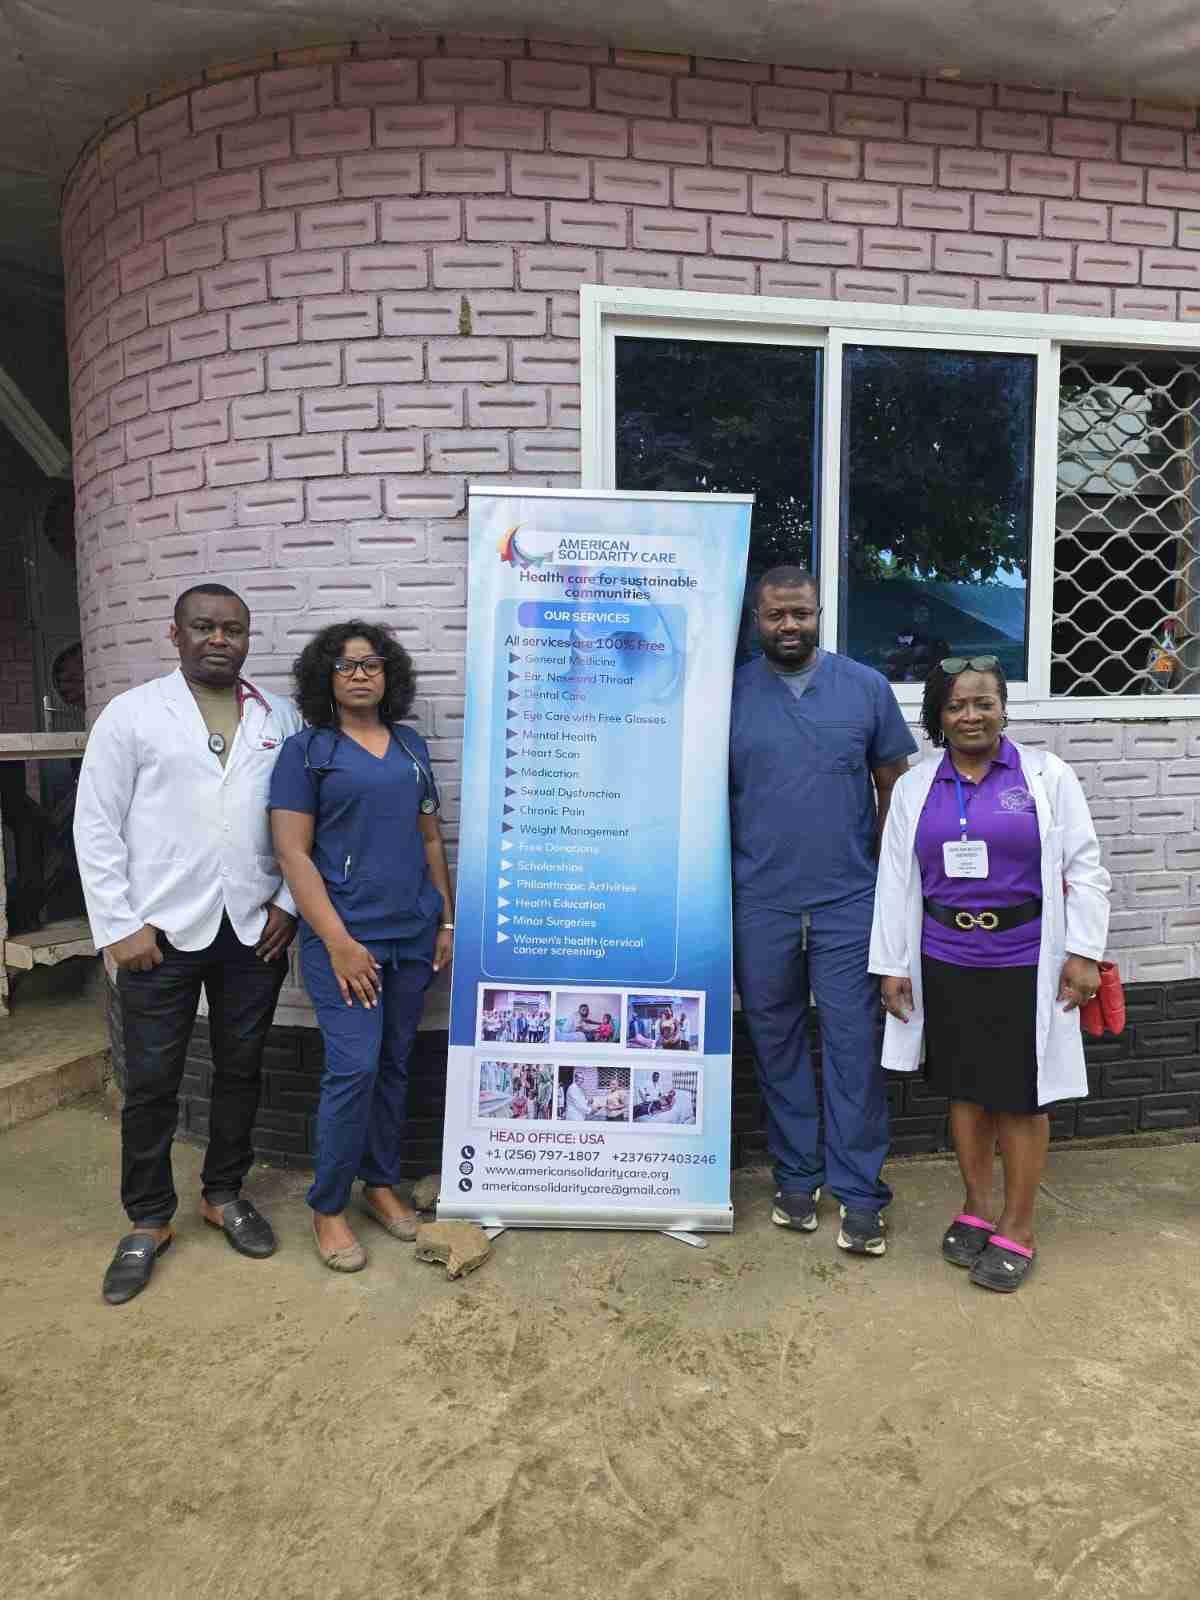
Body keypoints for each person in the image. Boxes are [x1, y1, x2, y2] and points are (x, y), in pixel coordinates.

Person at [75, 583, 302, 1306]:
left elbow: (306, 816)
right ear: (175, 634)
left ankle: (224, 1192)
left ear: (247, 637)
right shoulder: (133, 714)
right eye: (203, 627)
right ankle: (148, 1218)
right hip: (159, 932)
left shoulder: (280, 717)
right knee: (151, 1080)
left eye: (232, 629)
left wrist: (289, 903)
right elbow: (95, 823)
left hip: (253, 928)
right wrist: (119, 925)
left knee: (241, 1069)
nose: (219, 639)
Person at [872, 656, 1110, 1291]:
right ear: (938, 716)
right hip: (944, 961)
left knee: (1020, 1096)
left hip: (1024, 962)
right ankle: (977, 1205)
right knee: (965, 1091)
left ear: (1004, 708)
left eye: (984, 703)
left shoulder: (1046, 776)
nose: (970, 715)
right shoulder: (916, 787)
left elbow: (1085, 868)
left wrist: (1084, 952)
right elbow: (895, 880)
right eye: (956, 705)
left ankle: (1019, 1226)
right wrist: (892, 965)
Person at [730, 565, 917, 1256]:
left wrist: (879, 872)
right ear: (756, 619)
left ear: (817, 614)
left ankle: (860, 1193)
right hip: (760, 901)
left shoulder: (864, 688)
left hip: (847, 902)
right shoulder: (729, 695)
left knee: (853, 1048)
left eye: (801, 613)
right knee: (775, 1043)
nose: (790, 625)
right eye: (776, 615)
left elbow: (894, 786)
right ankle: (797, 1179)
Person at [270, 622, 454, 1273]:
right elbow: (292, 854)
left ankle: (380, 1183)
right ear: (325, 677)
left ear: (388, 674)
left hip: (411, 935)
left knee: (395, 1063)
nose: (359, 675)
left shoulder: (409, 745)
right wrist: (339, 942)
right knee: (354, 1068)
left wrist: (446, 920)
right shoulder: (307, 752)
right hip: (346, 940)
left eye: (371, 664)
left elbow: (430, 838)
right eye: (345, 666)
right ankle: (327, 1206)